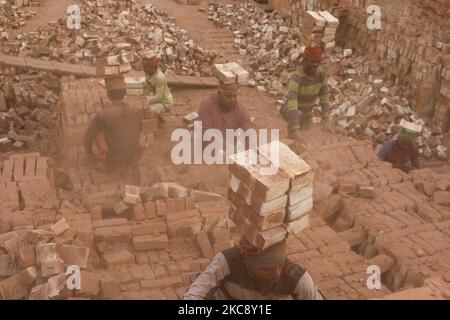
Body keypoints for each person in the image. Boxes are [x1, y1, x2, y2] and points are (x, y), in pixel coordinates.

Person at [183, 238, 324, 300]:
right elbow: (195, 294)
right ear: (248, 261)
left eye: (280, 266)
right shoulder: (227, 261)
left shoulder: (295, 277)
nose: (277, 273)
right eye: (267, 270)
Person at [84, 75, 142, 170]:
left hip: (114, 162)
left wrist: (90, 155)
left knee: (98, 131)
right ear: (125, 92)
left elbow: (88, 138)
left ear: (108, 94)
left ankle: (109, 163)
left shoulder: (103, 114)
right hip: (134, 159)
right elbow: (138, 131)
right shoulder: (136, 111)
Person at [281, 47, 330, 139]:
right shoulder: (296, 77)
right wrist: (295, 129)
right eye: (312, 62)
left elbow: (324, 98)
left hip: (307, 112)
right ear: (305, 60)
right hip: (291, 110)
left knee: (306, 130)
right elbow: (293, 103)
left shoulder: (321, 74)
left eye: (317, 62)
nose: (315, 65)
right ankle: (291, 133)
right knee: (297, 117)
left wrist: (326, 118)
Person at [141, 50, 174, 122]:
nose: (146, 70)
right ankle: (157, 116)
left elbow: (159, 97)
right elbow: (147, 88)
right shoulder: (149, 73)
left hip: (165, 102)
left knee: (144, 111)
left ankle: (156, 123)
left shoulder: (159, 77)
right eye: (145, 68)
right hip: (157, 97)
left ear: (155, 66)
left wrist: (144, 101)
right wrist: (143, 95)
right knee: (142, 106)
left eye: (149, 68)